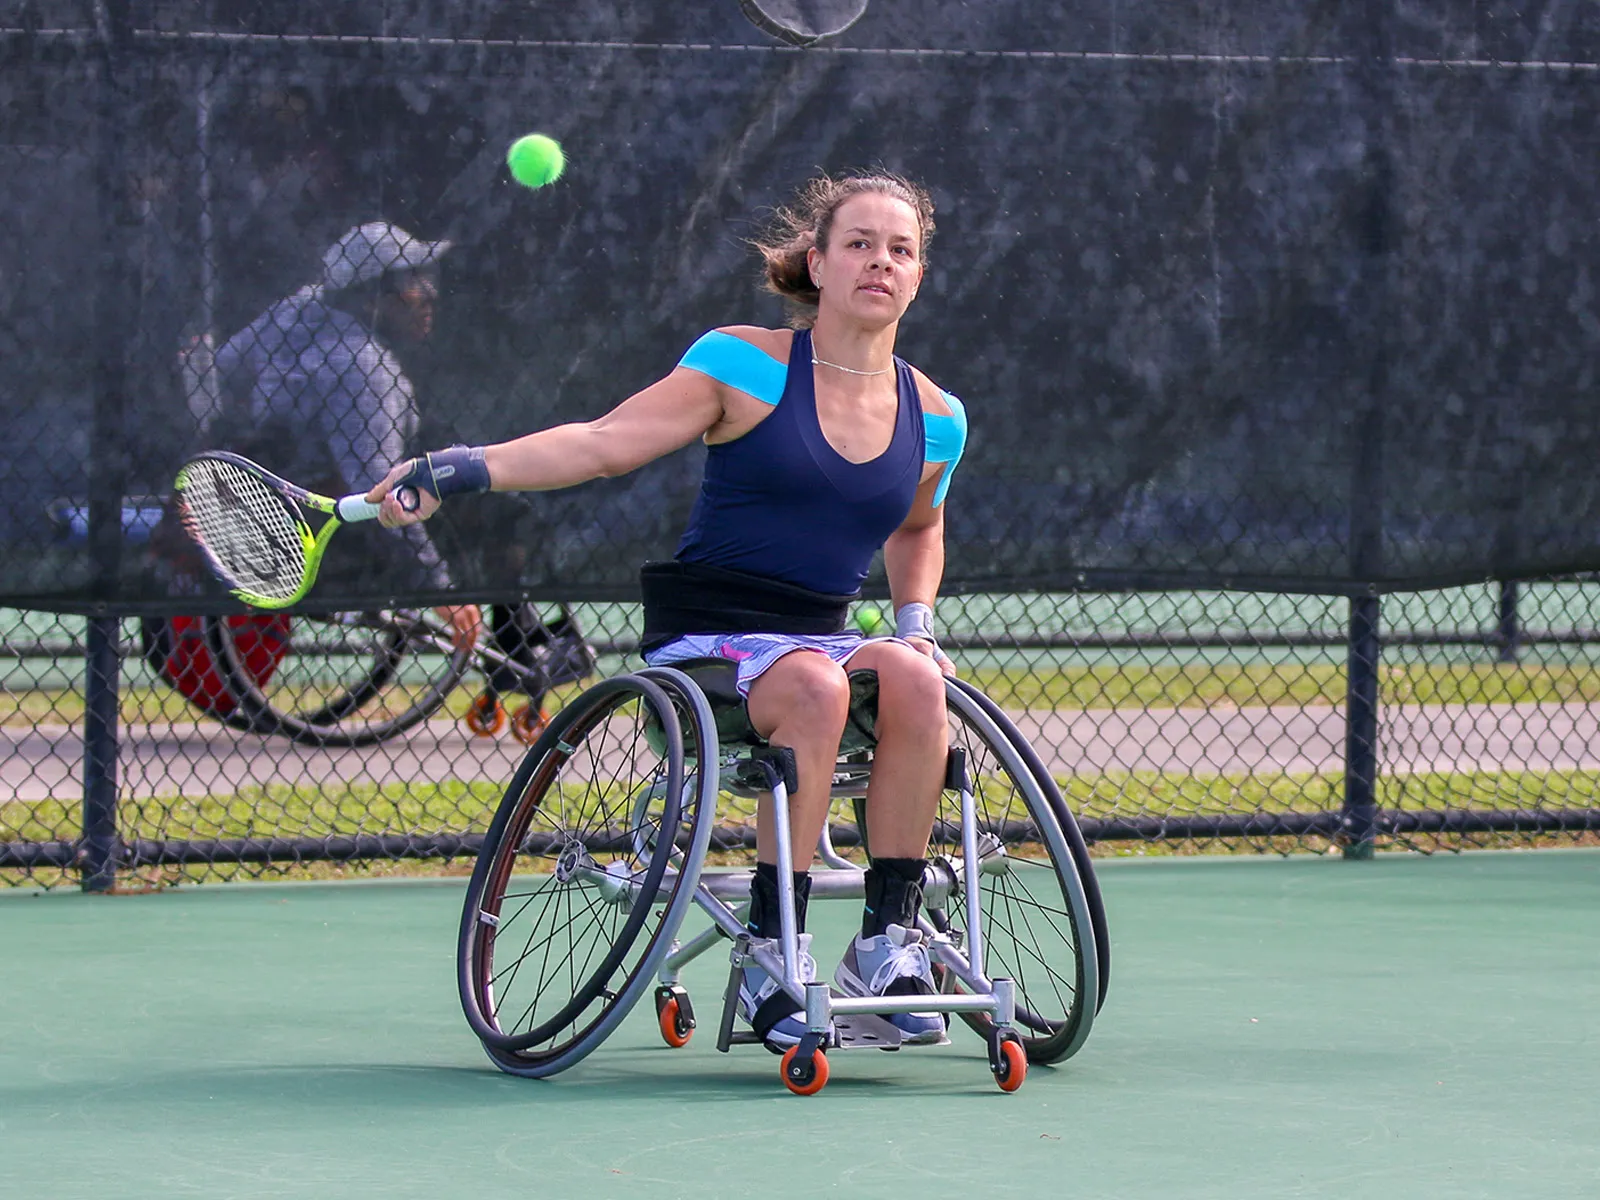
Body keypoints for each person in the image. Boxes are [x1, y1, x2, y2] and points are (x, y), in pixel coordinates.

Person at [368, 172, 968, 1050]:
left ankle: (885, 948)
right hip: (706, 645)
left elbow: (921, 526)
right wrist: (465, 466)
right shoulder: (744, 363)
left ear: (917, 275)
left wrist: (913, 621)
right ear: (819, 261)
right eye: (860, 244)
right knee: (814, 690)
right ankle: (773, 951)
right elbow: (605, 443)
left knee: (918, 683)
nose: (881, 261)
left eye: (901, 249)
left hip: (825, 641)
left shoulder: (937, 417)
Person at [212, 221, 480, 650]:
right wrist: (441, 593)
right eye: (410, 281)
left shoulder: (294, 310)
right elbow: (380, 495)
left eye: (428, 276)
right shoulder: (365, 372)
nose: (429, 293)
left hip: (257, 508)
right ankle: (519, 643)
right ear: (371, 297)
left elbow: (221, 371)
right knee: (493, 501)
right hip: (321, 539)